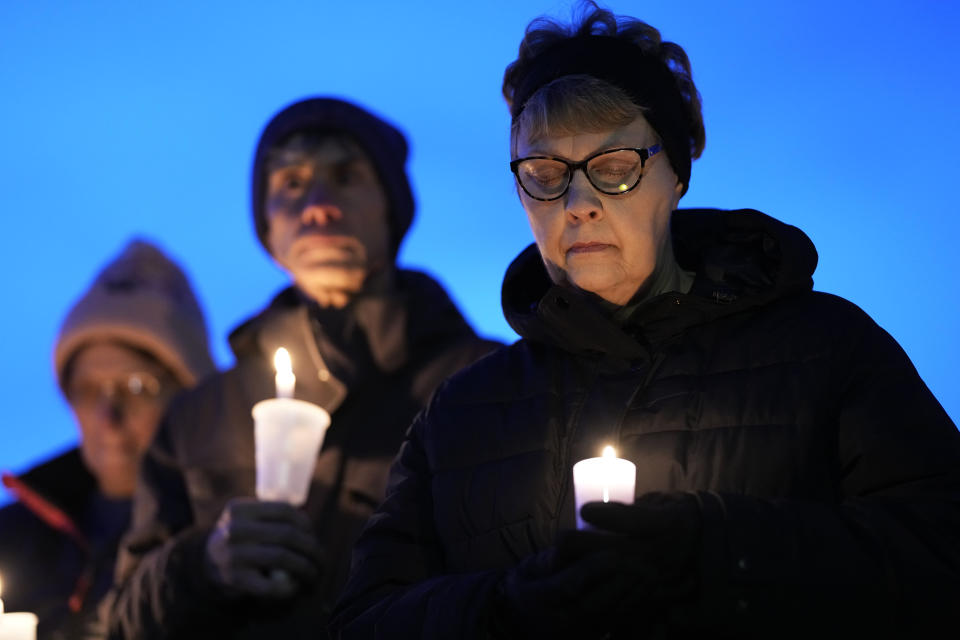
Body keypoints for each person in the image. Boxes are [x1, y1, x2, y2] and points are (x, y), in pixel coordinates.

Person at [329, 3, 960, 638]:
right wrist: (508, 606)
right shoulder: (461, 414)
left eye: (614, 168)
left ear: (676, 173)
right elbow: (361, 621)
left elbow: (940, 553)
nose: (578, 205)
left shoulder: (826, 351)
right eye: (545, 175)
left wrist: (717, 554)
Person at [105, 96, 501, 639]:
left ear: (392, 205)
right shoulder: (198, 417)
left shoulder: (486, 386)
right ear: (266, 226)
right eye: (290, 183)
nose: (318, 205)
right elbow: (123, 619)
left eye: (346, 176)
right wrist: (203, 565)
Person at [0, 238, 216, 640]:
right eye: (87, 389)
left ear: (191, 398)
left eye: (136, 387)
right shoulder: (12, 538)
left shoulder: (220, 540)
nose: (108, 417)